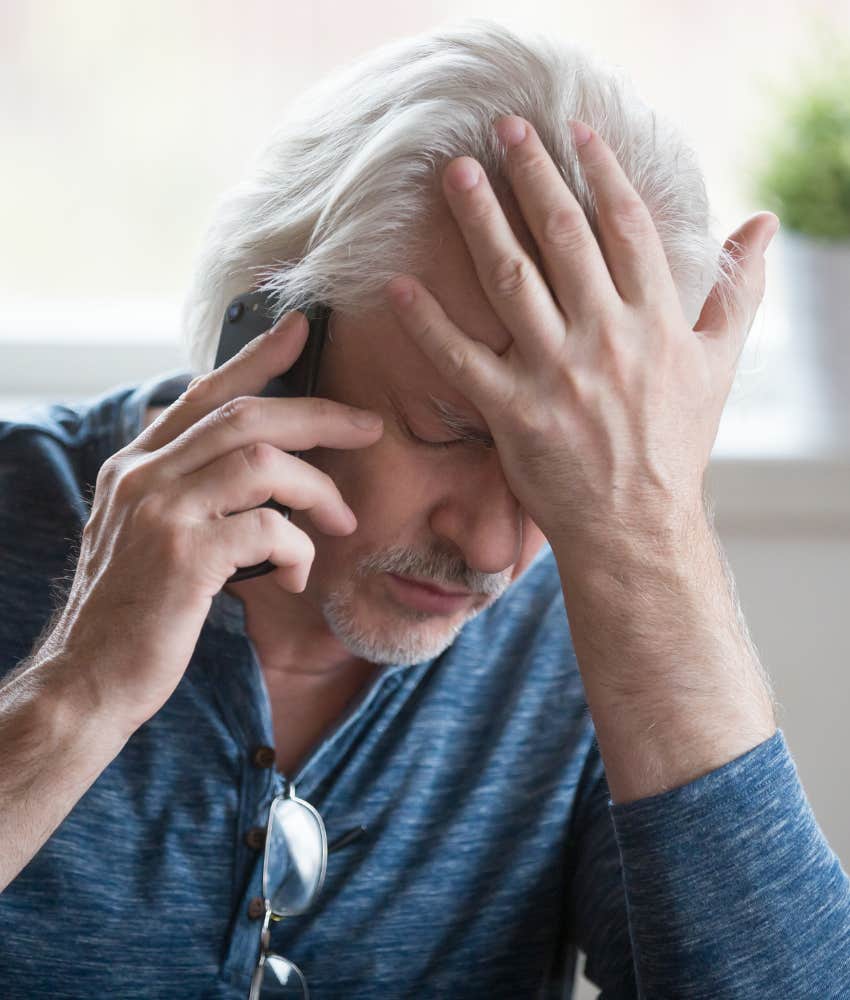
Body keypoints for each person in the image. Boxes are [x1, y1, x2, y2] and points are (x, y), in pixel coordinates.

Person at [1, 17, 848, 999]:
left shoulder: (608, 627)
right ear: (270, 339)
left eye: (562, 463)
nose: (492, 545)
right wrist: (78, 693)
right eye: (455, 430)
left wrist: (649, 547)